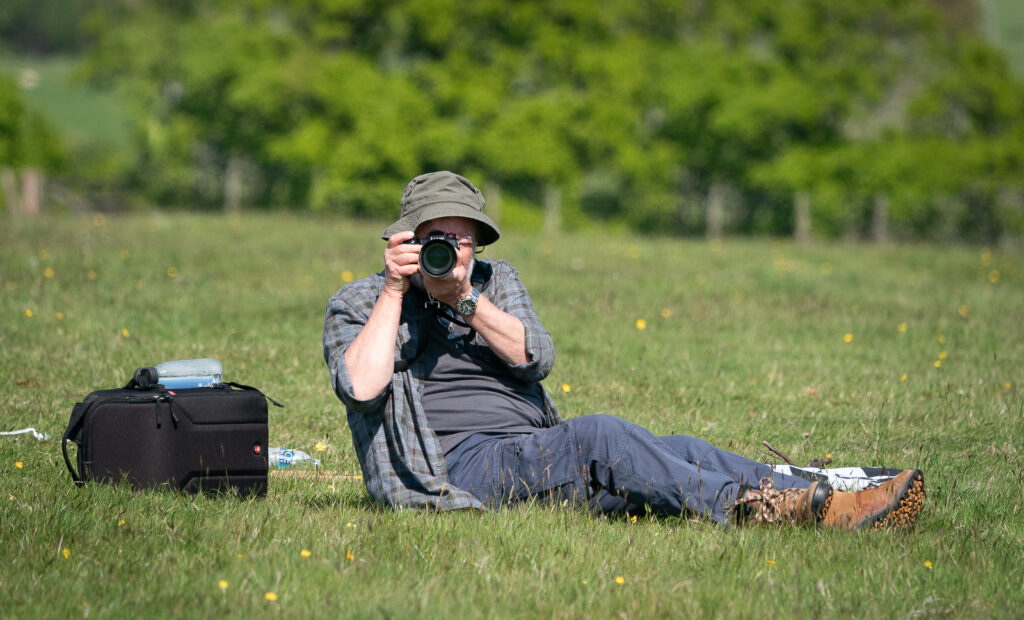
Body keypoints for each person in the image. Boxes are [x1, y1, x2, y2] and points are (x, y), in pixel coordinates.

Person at [323, 171, 925, 529]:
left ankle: (821, 492)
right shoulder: (365, 301)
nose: (449, 252)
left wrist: (466, 303)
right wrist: (400, 291)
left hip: (528, 450)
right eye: (434, 239)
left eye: (461, 239)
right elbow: (362, 387)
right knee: (603, 439)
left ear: (477, 243)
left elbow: (537, 357)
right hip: (457, 467)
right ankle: (757, 510)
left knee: (675, 452)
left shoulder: (492, 283)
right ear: (404, 241)